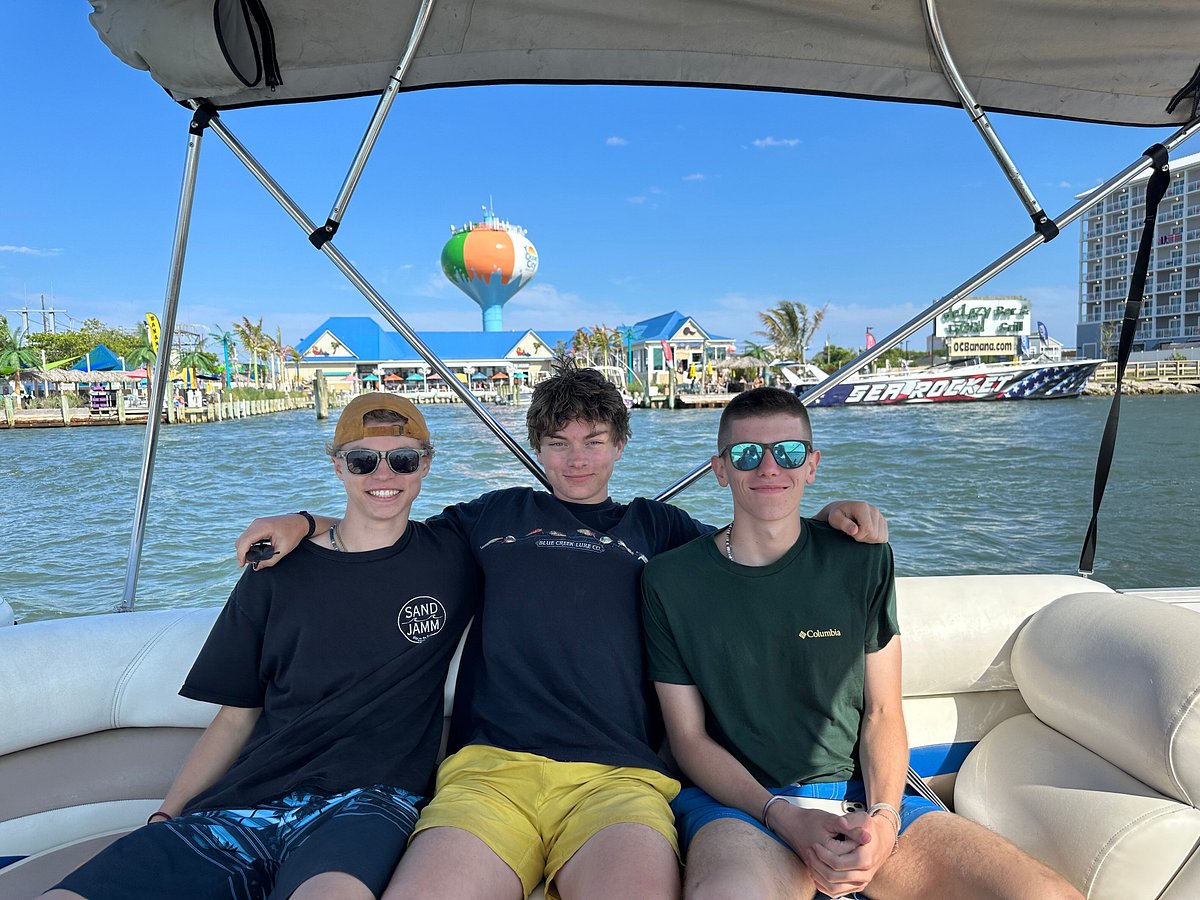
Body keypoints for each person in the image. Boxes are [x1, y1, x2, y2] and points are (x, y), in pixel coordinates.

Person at [235, 364, 888, 900]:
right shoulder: (494, 516)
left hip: (621, 780)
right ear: (538, 448)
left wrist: (828, 514)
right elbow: (389, 535)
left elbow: (753, 546)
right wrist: (304, 521)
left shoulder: (657, 530)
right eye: (559, 443)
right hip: (490, 774)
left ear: (620, 446)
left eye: (595, 441)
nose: (577, 459)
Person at [641, 387, 1082, 900]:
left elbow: (882, 713)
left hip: (856, 794)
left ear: (812, 464)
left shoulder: (861, 559)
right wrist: (780, 815)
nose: (768, 468)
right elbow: (690, 740)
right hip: (742, 805)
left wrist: (885, 820)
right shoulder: (670, 581)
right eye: (746, 454)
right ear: (721, 469)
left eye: (788, 452)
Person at [44, 394, 478, 900]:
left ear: (425, 464)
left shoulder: (454, 553)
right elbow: (235, 716)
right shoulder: (274, 571)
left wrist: (303, 519)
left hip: (371, 801)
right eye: (363, 460)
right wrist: (167, 813)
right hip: (248, 797)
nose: (384, 474)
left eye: (402, 459)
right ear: (337, 466)